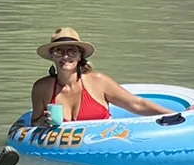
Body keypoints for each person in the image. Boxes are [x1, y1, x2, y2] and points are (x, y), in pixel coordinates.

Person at [30, 27, 171, 125]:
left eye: (72, 51)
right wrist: (43, 122)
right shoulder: (42, 88)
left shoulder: (98, 82)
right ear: (52, 56)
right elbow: (34, 123)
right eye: (59, 51)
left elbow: (136, 104)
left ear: (80, 56)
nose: (65, 56)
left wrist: (176, 115)